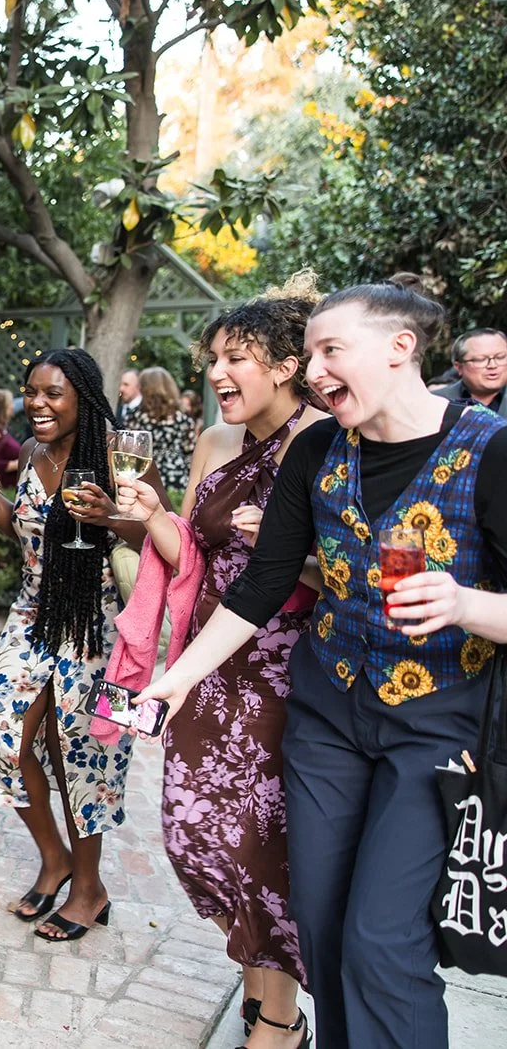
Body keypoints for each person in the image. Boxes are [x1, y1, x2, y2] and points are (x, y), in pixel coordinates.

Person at [139, 275, 507, 1049]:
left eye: (330, 350)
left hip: (434, 732)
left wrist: (467, 605)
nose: (313, 371)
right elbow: (262, 585)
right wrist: (175, 679)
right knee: (324, 926)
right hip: (327, 721)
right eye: (309, 355)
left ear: (400, 348)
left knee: (382, 939)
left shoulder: (490, 449)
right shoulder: (316, 449)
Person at [116, 279, 329, 1049]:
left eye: (236, 357)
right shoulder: (212, 443)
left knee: (260, 846)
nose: (217, 373)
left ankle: (277, 1018)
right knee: (192, 831)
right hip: (208, 665)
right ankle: (256, 971)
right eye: (213, 358)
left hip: (282, 669)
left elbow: (348, 572)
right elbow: (193, 560)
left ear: (284, 365)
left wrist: (289, 549)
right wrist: (151, 520)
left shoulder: (327, 440)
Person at [0, 348, 164, 944]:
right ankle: (54, 857)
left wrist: (114, 515)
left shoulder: (119, 454)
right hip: (32, 612)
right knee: (3, 738)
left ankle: (88, 889)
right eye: (31, 391)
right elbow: (23, 526)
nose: (37, 403)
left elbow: (158, 534)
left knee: (81, 752)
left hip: (99, 618)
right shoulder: (32, 453)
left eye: (52, 393)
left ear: (82, 399)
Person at [124, 366, 200, 491]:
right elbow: (190, 453)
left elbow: (128, 451)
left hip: (144, 478)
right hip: (177, 479)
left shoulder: (136, 417)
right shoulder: (183, 419)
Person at [432, 326, 507, 412]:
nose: (492, 365)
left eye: (500, 357)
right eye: (480, 359)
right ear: (458, 367)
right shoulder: (436, 401)